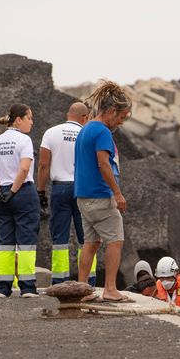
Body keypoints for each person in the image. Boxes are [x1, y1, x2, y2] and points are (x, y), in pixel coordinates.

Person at [75, 81, 131, 303]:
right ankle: (109, 288)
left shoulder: (86, 128)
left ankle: (81, 288)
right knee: (115, 240)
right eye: (121, 116)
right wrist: (117, 194)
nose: (121, 121)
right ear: (110, 111)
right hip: (99, 195)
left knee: (91, 243)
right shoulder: (102, 132)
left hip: (82, 196)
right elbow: (103, 164)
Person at [0, 104, 40, 298]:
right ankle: (27, 286)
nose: (31, 122)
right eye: (29, 118)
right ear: (18, 119)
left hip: (1, 193)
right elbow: (24, 169)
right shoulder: (24, 140)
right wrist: (14, 191)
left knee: (5, 241)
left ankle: (3, 287)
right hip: (22, 191)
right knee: (26, 240)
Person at [38, 102, 93, 285]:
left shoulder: (51, 133)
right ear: (85, 118)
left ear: (67, 114)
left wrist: (41, 191)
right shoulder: (87, 134)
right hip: (82, 188)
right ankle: (87, 281)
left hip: (60, 188)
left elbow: (43, 165)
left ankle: (60, 280)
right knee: (86, 237)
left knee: (59, 237)